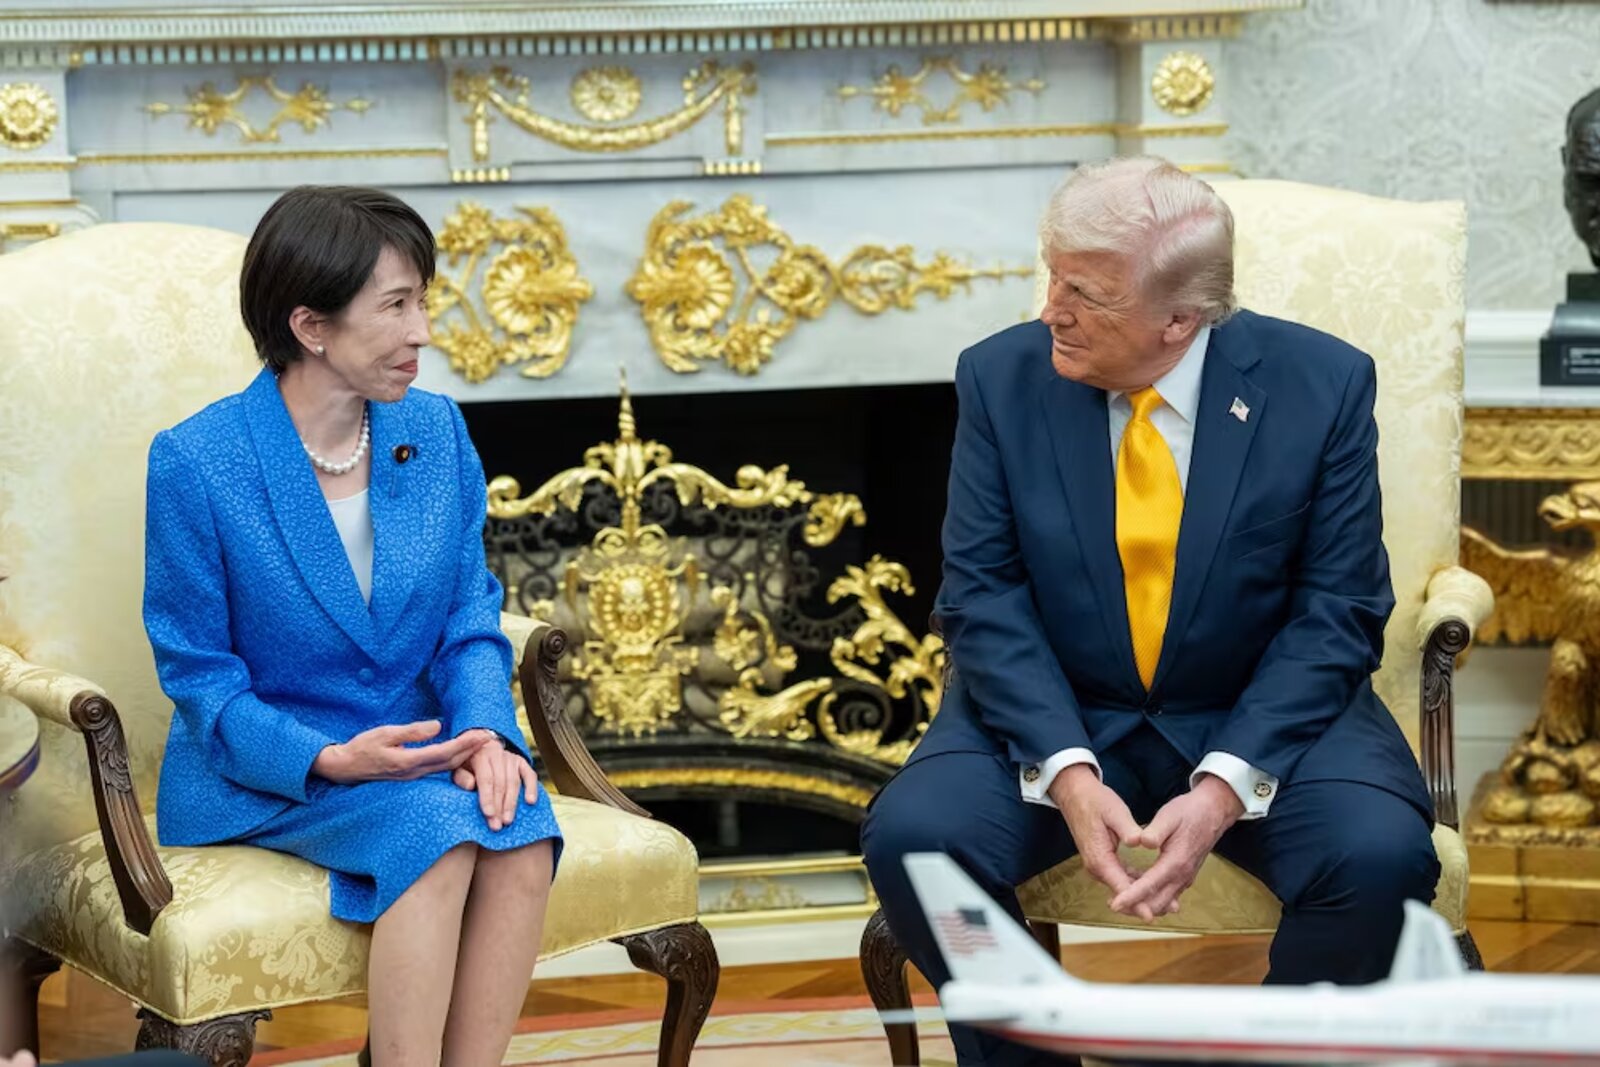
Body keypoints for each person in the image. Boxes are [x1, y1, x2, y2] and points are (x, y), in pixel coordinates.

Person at [861, 157, 1439, 1066]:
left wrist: (1224, 787)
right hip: (1061, 704)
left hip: (1257, 709)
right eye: (1053, 277)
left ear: (1180, 318)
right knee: (915, 840)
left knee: (1379, 858)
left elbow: (1340, 608)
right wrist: (1064, 768)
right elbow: (981, 592)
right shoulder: (1001, 376)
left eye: (1084, 293)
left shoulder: (1321, 384)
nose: (1051, 310)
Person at [143, 186, 562, 1067]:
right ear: (310, 325)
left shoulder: (435, 430)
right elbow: (200, 677)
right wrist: (328, 758)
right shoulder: (198, 462)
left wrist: (488, 733)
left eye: (423, 301)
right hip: (271, 773)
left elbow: (469, 612)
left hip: (418, 750)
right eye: (396, 306)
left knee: (524, 829)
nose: (423, 332)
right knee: (440, 834)